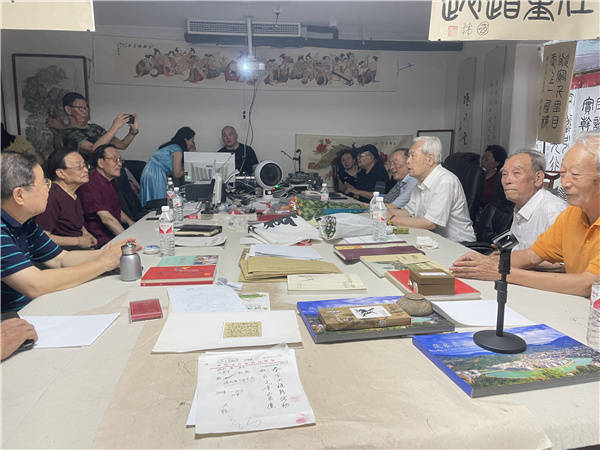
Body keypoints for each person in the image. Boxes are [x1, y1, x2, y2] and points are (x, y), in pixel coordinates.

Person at [450, 132, 600, 297]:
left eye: (575, 175)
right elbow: (532, 255)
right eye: (563, 174)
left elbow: (590, 284)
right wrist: (484, 262)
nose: (565, 183)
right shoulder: (573, 214)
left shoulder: (555, 209)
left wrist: (500, 271)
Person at [1, 151, 133, 313]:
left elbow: (61, 259)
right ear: (19, 195)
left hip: (34, 306)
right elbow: (35, 284)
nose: (49, 188)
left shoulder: (26, 222)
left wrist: (109, 253)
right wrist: (103, 264)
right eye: (44, 183)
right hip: (13, 317)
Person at [388, 136, 475, 242]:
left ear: (429, 159)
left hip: (457, 244)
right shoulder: (419, 180)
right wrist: (381, 211)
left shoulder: (445, 181)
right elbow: (408, 212)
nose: (408, 161)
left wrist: (391, 219)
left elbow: (430, 223)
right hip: (432, 239)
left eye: (412, 156)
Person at [501, 149, 566, 250]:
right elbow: (520, 248)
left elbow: (561, 258)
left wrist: (510, 257)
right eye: (504, 174)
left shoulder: (553, 211)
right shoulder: (520, 204)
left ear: (538, 178)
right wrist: (504, 254)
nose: (507, 180)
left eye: (516, 173)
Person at [35, 150, 98, 249]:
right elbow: (41, 237)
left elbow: (75, 223)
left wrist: (86, 235)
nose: (86, 170)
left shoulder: (73, 192)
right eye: (79, 167)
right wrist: (78, 241)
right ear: (61, 173)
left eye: (85, 165)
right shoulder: (51, 196)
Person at [51, 92, 140, 161]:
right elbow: (93, 149)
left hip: (110, 166)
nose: (85, 111)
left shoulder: (94, 128)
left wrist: (133, 131)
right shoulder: (68, 133)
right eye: (80, 108)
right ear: (68, 110)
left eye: (86, 108)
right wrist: (115, 127)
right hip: (91, 172)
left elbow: (122, 145)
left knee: (141, 166)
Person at [78, 145, 135, 247]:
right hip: (102, 241)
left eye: (120, 160)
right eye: (115, 160)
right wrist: (129, 241)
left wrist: (131, 223)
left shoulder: (110, 181)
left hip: (115, 234)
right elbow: (107, 219)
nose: (120, 164)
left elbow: (115, 208)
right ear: (100, 163)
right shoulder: (90, 184)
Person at [139, 127, 196, 206]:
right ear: (186, 139)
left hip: (148, 171)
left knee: (151, 198)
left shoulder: (170, 146)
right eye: (192, 141)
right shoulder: (177, 150)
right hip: (156, 174)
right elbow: (177, 174)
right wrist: (191, 159)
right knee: (159, 202)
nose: (192, 144)